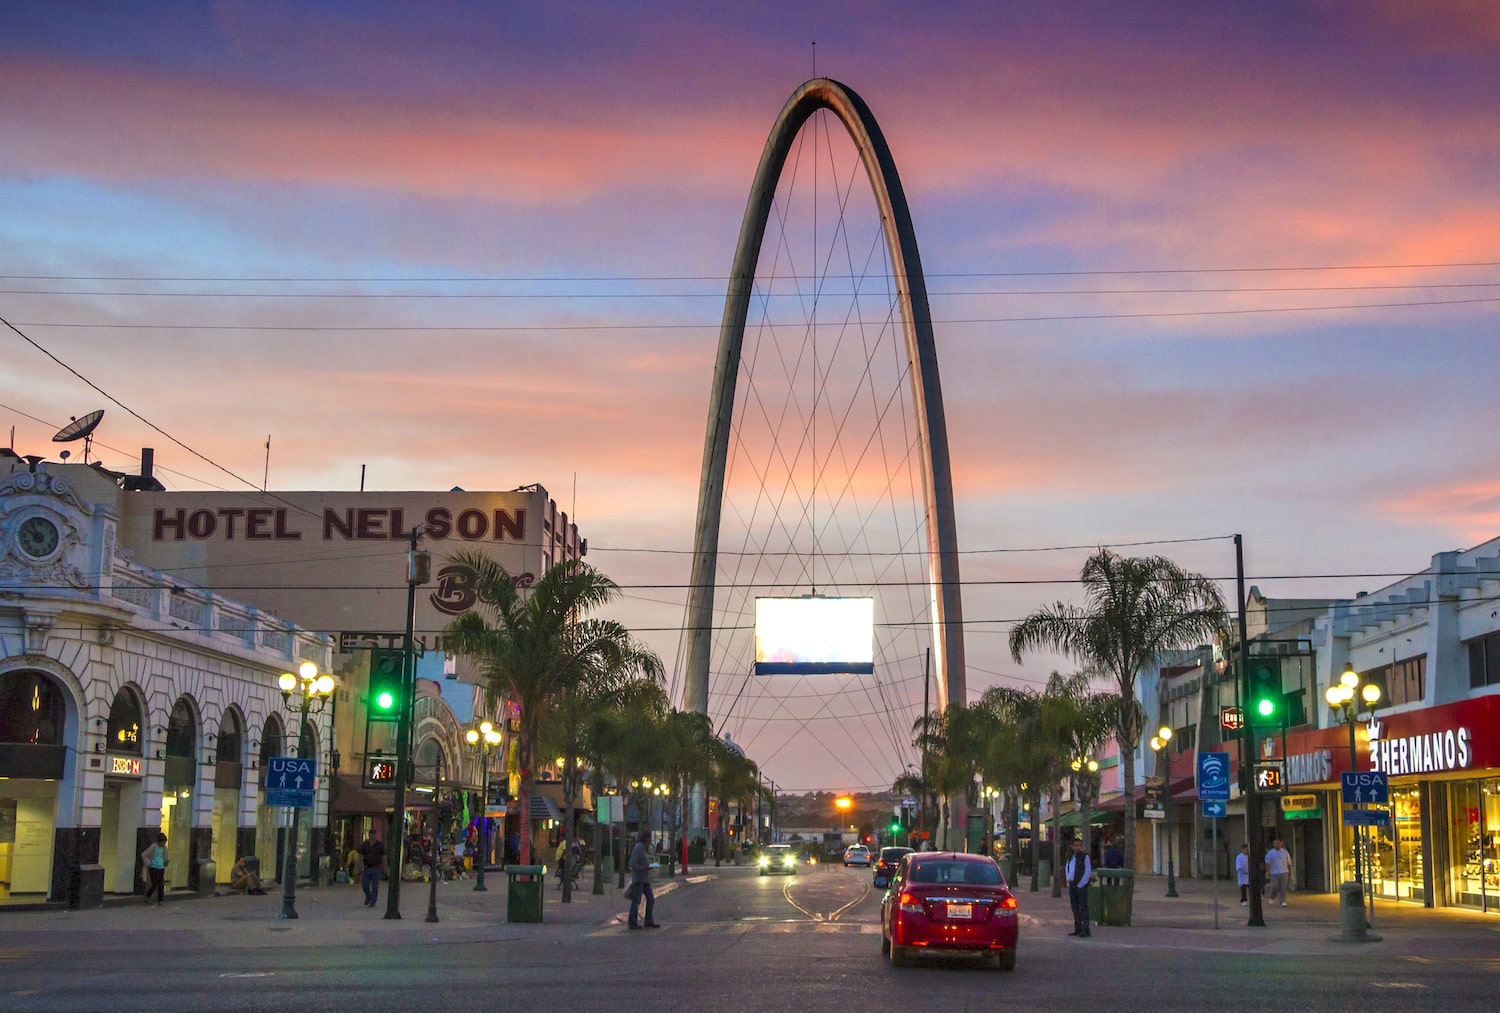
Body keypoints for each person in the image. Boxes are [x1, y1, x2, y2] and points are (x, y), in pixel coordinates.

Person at [628, 830, 660, 929]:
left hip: (644, 879)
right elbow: (632, 864)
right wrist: (644, 868)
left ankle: (648, 920)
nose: (650, 840)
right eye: (649, 838)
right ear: (646, 839)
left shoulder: (644, 848)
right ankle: (632, 922)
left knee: (650, 899)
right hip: (639, 879)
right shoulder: (639, 848)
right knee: (636, 901)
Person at [1064, 837, 1092, 938]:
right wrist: (1068, 879)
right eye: (1076, 845)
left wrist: (1081, 884)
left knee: (1083, 907)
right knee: (1075, 907)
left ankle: (1086, 929)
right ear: (1072, 846)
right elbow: (1068, 868)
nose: (1078, 847)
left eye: (1079, 845)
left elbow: (1088, 871)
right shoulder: (1070, 857)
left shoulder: (1085, 857)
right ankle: (1078, 928)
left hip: (1080, 885)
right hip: (1072, 884)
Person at [358, 833, 386, 907]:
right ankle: (368, 896)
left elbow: (383, 856)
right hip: (367, 867)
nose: (372, 836)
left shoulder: (379, 844)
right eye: (371, 834)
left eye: (373, 834)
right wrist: (359, 865)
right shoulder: (365, 844)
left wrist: (385, 867)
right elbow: (360, 855)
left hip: (376, 867)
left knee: (375, 886)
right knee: (364, 883)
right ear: (369, 835)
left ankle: (373, 901)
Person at [141, 833, 168, 906]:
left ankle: (160, 900)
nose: (163, 844)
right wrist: (148, 863)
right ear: (159, 841)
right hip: (153, 867)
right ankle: (148, 896)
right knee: (155, 883)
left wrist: (166, 861)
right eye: (162, 842)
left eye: (164, 842)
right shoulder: (153, 847)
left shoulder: (164, 848)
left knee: (161, 884)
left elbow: (165, 856)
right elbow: (144, 854)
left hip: (161, 867)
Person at [1265, 838, 1292, 907]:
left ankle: (1282, 901)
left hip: (1284, 871)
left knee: (1283, 887)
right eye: (1275, 843)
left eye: (1277, 843)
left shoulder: (1285, 852)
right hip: (1274, 872)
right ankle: (1272, 897)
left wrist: (1289, 871)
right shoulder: (1270, 853)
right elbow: (1267, 862)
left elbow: (1288, 862)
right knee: (1274, 886)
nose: (1276, 844)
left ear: (1281, 843)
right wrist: (1268, 871)